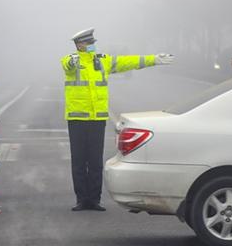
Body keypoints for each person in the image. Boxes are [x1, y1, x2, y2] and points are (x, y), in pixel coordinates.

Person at [61, 27, 174, 212]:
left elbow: (128, 62)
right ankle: (82, 199)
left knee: (96, 160)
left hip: (97, 119)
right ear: (79, 44)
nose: (92, 46)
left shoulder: (102, 61)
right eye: (89, 43)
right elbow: (66, 65)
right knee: (79, 161)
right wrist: (73, 60)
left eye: (93, 43)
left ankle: (95, 200)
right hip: (77, 119)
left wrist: (154, 59)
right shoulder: (71, 60)